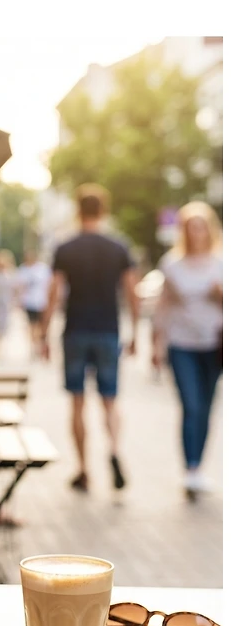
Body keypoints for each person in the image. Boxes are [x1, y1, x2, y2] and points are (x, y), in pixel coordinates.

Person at [40, 183, 139, 493]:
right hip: (109, 330)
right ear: (104, 210)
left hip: (76, 330)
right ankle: (113, 449)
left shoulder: (66, 248)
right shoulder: (118, 247)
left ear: (78, 210)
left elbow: (54, 293)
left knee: (77, 403)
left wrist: (43, 334)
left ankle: (83, 469)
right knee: (110, 400)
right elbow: (131, 291)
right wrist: (135, 331)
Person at [151, 201, 222, 497]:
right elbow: (162, 306)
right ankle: (190, 469)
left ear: (209, 228)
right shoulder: (172, 264)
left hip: (215, 344)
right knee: (191, 406)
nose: (196, 232)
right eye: (190, 227)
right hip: (181, 344)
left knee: (206, 408)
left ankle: (199, 468)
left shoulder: (223, 263)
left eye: (201, 226)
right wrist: (155, 344)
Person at [17, 248, 52, 358]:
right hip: (29, 302)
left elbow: (49, 285)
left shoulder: (42, 269)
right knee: (32, 326)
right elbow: (20, 287)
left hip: (42, 302)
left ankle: (40, 347)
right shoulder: (23, 269)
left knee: (41, 327)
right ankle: (34, 347)